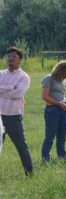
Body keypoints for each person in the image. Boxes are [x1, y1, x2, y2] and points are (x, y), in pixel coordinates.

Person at [0, 47, 33, 175]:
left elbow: (18, 94)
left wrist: (1, 91)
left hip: (13, 117)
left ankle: (29, 173)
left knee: (21, 147)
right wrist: (8, 88)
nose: (11, 59)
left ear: (20, 60)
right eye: (9, 56)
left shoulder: (24, 77)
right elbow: (12, 92)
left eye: (14, 57)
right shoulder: (1, 74)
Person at [41, 60, 66, 162]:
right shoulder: (49, 78)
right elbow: (45, 96)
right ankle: (45, 159)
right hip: (52, 110)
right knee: (50, 136)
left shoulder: (62, 81)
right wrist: (59, 103)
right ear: (61, 70)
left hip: (62, 111)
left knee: (62, 136)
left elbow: (61, 97)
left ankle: (62, 157)